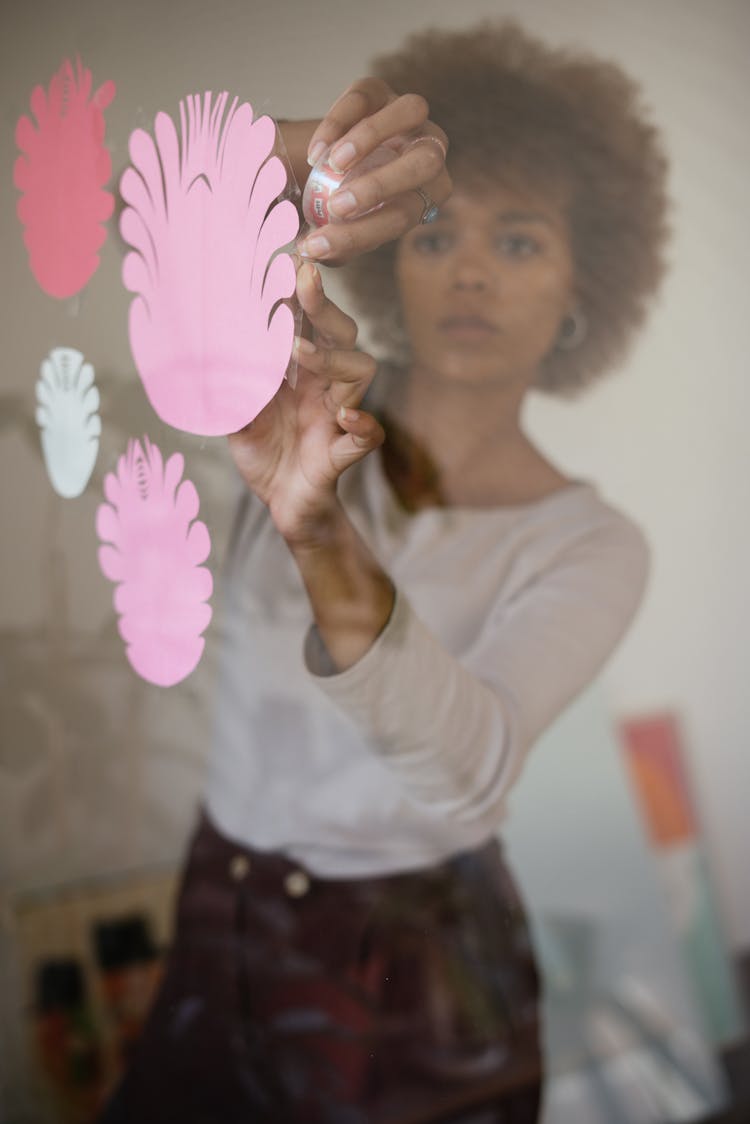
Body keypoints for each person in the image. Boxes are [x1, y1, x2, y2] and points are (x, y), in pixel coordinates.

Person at [99, 20, 669, 1124]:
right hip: (222, 898)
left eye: (518, 242)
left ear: (581, 290)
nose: (467, 268)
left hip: (412, 957)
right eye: (440, 232)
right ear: (395, 259)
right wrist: (316, 153)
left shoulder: (586, 544)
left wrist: (319, 527)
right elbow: (109, 216)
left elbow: (464, 770)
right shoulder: (284, 388)